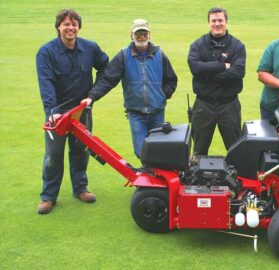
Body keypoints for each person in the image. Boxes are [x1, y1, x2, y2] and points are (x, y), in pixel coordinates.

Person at [36, 9, 109, 214]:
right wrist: (51, 110)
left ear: (79, 27)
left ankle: (80, 188)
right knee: (53, 155)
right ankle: (48, 196)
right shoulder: (46, 52)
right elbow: (46, 82)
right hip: (57, 114)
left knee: (80, 151)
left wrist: (93, 95)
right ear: (58, 26)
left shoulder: (90, 48)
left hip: (81, 110)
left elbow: (106, 68)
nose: (71, 28)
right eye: (66, 24)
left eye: (74, 24)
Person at [83, 18, 178, 158]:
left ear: (150, 35)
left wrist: (162, 95)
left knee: (158, 150)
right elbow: (108, 79)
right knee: (141, 151)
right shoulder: (123, 56)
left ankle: (154, 178)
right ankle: (150, 176)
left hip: (157, 112)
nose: (141, 36)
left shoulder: (159, 54)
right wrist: (92, 97)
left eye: (144, 33)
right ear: (131, 35)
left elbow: (171, 79)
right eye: (138, 33)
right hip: (136, 114)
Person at [188, 7, 246, 155]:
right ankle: (197, 178)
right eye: (213, 20)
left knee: (235, 150)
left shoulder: (237, 46)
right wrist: (222, 66)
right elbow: (195, 68)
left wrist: (208, 76)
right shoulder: (197, 45)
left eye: (220, 20)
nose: (217, 23)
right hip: (203, 106)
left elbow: (238, 72)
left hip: (229, 105)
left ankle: (237, 177)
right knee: (199, 151)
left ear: (226, 22)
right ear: (208, 23)